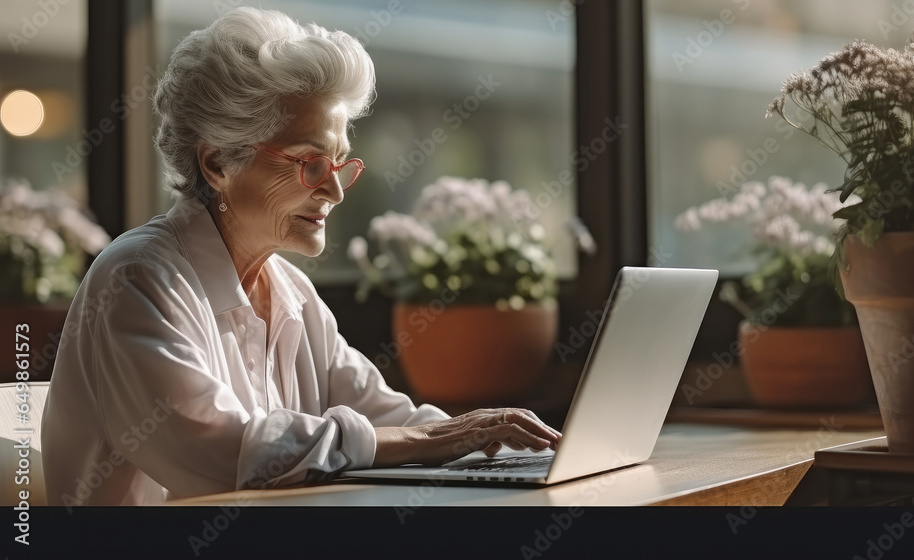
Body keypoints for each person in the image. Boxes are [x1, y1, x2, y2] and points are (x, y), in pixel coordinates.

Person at [41, 7, 560, 506]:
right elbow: (225, 453)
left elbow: (388, 419)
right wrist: (436, 439)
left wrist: (506, 445)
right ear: (219, 162)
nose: (334, 191)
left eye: (339, 163)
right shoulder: (137, 279)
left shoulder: (290, 291)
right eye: (311, 163)